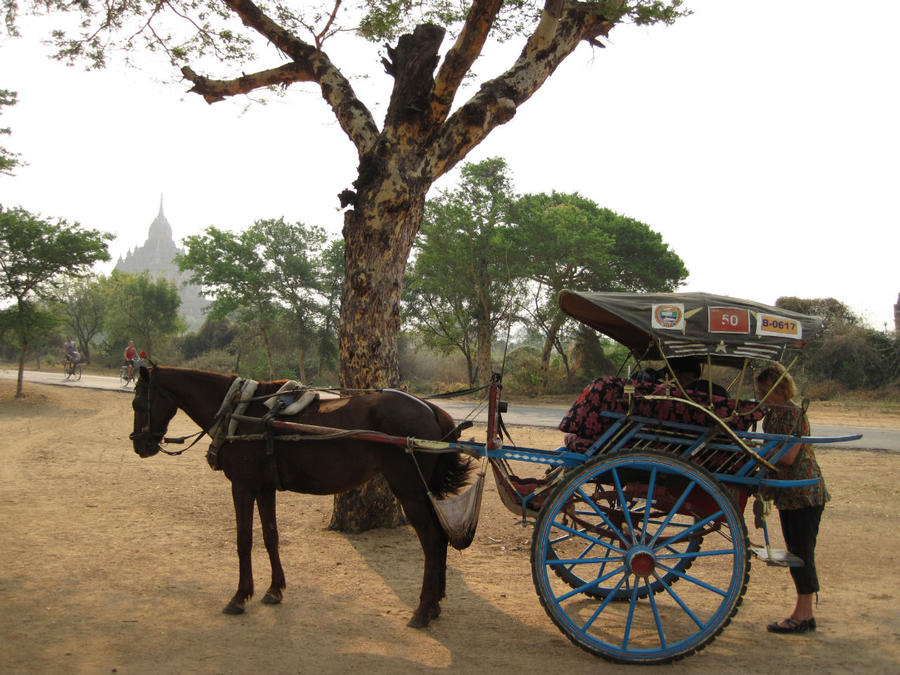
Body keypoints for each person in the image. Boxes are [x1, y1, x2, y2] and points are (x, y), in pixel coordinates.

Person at [755, 363, 828, 634]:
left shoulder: (796, 415)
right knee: (796, 552)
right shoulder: (771, 417)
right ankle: (802, 613)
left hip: (805, 494)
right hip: (788, 493)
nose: (762, 397)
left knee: (802, 553)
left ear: (780, 389)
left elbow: (788, 456)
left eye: (766, 391)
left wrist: (759, 455)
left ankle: (804, 615)